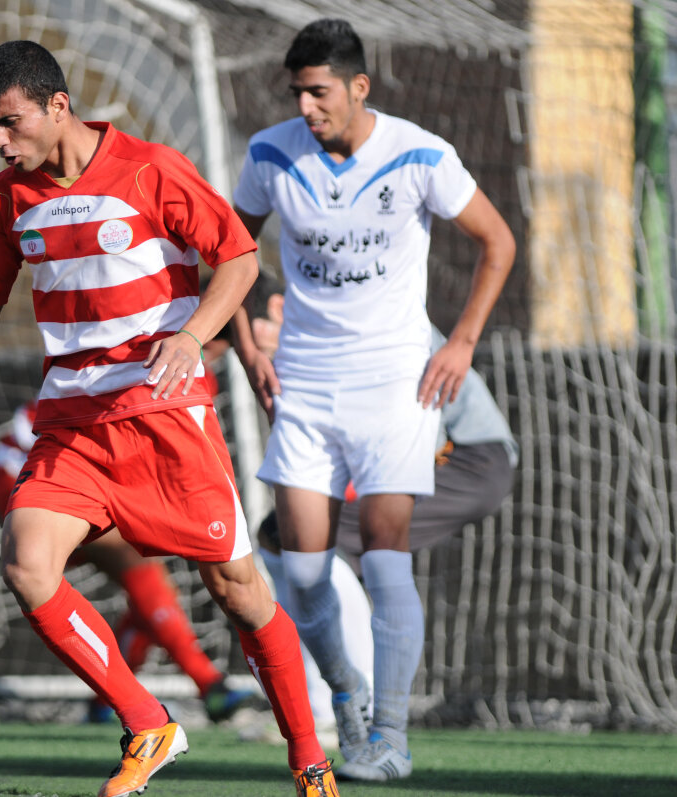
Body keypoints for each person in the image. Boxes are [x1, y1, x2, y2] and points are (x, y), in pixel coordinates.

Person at [0, 40, 340, 797]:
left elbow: (238, 259)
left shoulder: (151, 170)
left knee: (239, 592)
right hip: (73, 425)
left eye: (10, 123)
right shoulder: (3, 199)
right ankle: (147, 722)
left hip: (165, 416)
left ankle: (310, 759)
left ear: (58, 106)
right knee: (27, 563)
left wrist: (191, 336)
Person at [228, 18, 516, 782]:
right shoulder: (270, 154)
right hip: (305, 381)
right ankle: (346, 694)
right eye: (298, 93)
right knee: (302, 569)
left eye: (320, 92)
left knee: (387, 559)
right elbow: (227, 251)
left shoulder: (421, 154)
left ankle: (388, 735)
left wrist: (461, 341)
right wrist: (248, 347)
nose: (307, 107)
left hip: (395, 381)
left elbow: (498, 241)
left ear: (359, 87)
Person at [257, 321, 519, 727]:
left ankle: (342, 707)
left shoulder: (377, 318)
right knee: (291, 538)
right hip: (448, 459)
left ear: (278, 308)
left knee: (300, 536)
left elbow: (420, 418)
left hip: (467, 459)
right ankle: (332, 707)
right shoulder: (328, 328)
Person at [0, 401, 258, 726]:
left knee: (149, 593)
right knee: (139, 566)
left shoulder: (111, 396)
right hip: (42, 502)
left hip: (54, 493)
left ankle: (110, 702)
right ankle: (206, 684)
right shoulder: (84, 400)